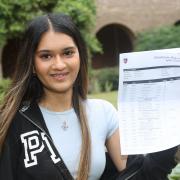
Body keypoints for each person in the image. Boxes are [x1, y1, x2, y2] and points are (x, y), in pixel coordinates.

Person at [0, 13, 179, 180]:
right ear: (32, 64)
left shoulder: (103, 112)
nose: (59, 64)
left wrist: (171, 149)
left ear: (80, 56)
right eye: (46, 56)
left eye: (68, 53)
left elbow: (138, 175)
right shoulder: (13, 120)